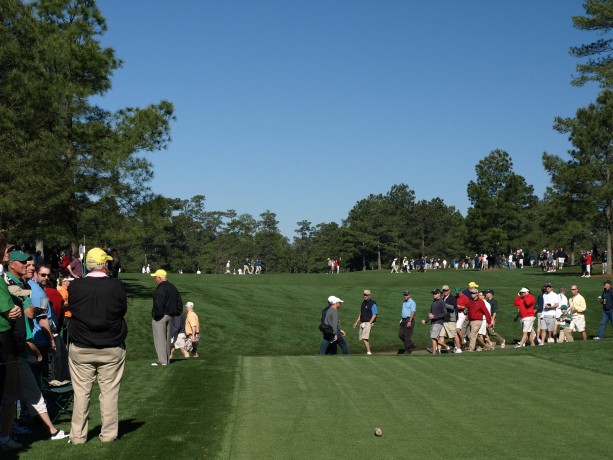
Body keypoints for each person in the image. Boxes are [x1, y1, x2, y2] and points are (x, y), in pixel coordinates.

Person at [67, 247, 128, 444]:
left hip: (81, 347)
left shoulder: (75, 286)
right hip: (111, 347)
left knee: (81, 394)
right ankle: (109, 435)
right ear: (104, 264)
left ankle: (77, 436)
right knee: (109, 393)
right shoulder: (116, 286)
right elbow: (122, 310)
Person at [0, 239, 24, 452]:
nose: (9, 252)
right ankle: (4, 438)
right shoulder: (1, 279)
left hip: (9, 340)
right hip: (4, 342)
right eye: (6, 249)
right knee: (8, 393)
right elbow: (12, 310)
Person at [151, 269, 183, 365]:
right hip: (170, 316)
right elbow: (179, 303)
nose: (155, 279)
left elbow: (159, 303)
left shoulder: (161, 288)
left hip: (161, 316)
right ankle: (167, 360)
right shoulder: (172, 287)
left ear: (160, 278)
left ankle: (162, 361)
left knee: (160, 339)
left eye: (155, 277)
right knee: (167, 339)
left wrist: (156, 315)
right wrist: (176, 312)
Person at [421, 289, 447, 354]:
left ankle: (434, 353)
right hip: (433, 323)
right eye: (433, 294)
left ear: (439, 294)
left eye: (435, 293)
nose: (434, 295)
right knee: (433, 338)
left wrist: (434, 316)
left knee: (433, 337)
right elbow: (430, 313)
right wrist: (425, 320)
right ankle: (446, 347)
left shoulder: (441, 302)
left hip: (438, 322)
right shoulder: (433, 302)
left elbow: (444, 313)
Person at [353, 289, 378, 355]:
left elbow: (374, 314)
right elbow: (360, 314)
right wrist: (356, 322)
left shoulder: (372, 303)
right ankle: (368, 351)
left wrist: (370, 323)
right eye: (364, 294)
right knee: (362, 338)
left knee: (364, 337)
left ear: (369, 295)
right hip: (363, 322)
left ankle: (369, 352)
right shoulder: (363, 303)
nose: (365, 296)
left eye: (366, 295)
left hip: (368, 322)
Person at [398, 290, 416, 354]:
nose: (405, 296)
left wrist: (410, 321)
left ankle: (408, 349)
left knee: (406, 336)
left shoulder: (412, 302)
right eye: (404, 295)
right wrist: (401, 319)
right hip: (403, 320)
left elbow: (413, 312)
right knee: (400, 335)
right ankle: (411, 344)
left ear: (409, 295)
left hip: (409, 320)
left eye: (406, 295)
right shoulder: (404, 302)